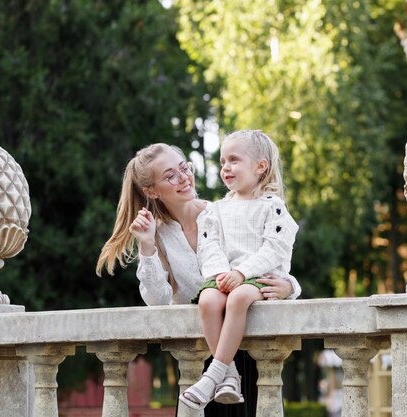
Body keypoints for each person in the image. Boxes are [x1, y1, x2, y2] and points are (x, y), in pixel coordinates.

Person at [96, 142, 301, 417]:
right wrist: (146, 247)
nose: (184, 178)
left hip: (250, 348)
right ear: (151, 191)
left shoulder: (224, 213)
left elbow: (267, 257)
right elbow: (157, 302)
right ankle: (223, 374)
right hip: (199, 354)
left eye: (184, 168)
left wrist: (289, 286)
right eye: (170, 175)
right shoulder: (157, 235)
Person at [179, 130, 299, 410]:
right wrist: (222, 274)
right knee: (208, 300)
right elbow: (208, 246)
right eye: (222, 162)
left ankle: (212, 376)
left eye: (234, 160)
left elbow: (275, 248)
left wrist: (242, 273)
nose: (226, 168)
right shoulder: (216, 210)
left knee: (239, 298)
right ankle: (229, 373)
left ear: (260, 167)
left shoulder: (273, 207)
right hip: (225, 276)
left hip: (257, 276)